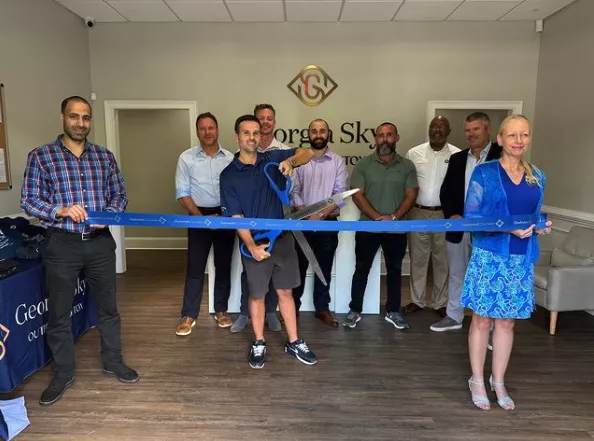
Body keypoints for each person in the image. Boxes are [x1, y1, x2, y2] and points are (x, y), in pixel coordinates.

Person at [20, 96, 138, 406]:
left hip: (100, 243)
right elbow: (29, 200)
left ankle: (113, 361)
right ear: (62, 117)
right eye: (74, 116)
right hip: (62, 244)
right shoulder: (41, 156)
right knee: (59, 313)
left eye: (86, 117)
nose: (80, 123)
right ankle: (63, 373)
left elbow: (120, 194)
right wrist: (60, 210)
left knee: (108, 309)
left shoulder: (104, 157)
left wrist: (108, 214)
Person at [462, 114, 551, 411]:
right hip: (489, 256)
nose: (518, 141)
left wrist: (540, 226)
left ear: (529, 138)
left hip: (520, 257)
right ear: (500, 139)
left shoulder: (537, 175)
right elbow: (472, 217)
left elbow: (533, 215)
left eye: (524, 135)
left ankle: (498, 380)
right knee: (482, 319)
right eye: (512, 135)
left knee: (507, 321)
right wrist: (508, 228)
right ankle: (477, 379)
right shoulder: (484, 173)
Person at [220, 114, 318, 369]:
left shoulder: (273, 159)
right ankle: (259, 342)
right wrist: (251, 246)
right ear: (237, 137)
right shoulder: (228, 175)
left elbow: (307, 153)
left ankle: (294, 341)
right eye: (246, 133)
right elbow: (236, 216)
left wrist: (290, 161)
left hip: (283, 240)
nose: (252, 137)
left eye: (256, 132)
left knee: (285, 291)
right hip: (255, 243)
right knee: (257, 294)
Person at [343, 122, 418, 329]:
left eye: (389, 135)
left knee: (394, 270)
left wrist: (393, 217)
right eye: (381, 135)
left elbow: (411, 195)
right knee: (361, 269)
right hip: (368, 227)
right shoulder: (363, 164)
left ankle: (393, 311)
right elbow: (357, 195)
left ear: (397, 137)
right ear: (375, 139)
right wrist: (377, 217)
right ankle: (354, 310)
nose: (385, 139)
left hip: (396, 228)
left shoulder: (407, 166)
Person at [431, 112, 502, 332]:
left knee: (488, 275)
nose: (471, 134)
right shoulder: (458, 158)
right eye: (467, 130)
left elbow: (505, 193)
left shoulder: (502, 156)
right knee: (456, 273)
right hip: (459, 227)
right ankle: (454, 316)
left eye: (476, 129)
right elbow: (446, 191)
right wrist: (452, 214)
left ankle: (490, 325)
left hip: (490, 230)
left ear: (488, 130)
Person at [230, 104, 290, 333]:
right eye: (260, 119)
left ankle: (271, 312)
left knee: (274, 271)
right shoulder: (239, 155)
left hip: (275, 222)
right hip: (249, 226)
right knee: (251, 271)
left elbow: (304, 155)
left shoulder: (281, 152)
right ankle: (245, 313)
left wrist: (291, 162)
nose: (265, 123)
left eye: (269, 118)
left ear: (274, 122)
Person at [174, 112, 235, 336]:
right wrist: (202, 218)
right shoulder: (186, 158)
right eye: (202, 128)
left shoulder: (230, 158)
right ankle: (189, 315)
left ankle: (221, 310)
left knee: (223, 265)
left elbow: (236, 192)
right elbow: (182, 194)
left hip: (225, 216)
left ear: (217, 130)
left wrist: (225, 215)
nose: (207, 132)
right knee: (195, 267)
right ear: (197, 131)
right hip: (197, 215)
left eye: (211, 128)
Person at [290, 119, 347, 327]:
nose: (318, 134)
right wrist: (306, 214)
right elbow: (293, 190)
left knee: (324, 267)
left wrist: (320, 215)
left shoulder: (337, 161)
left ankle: (322, 308)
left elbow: (340, 194)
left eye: (322, 131)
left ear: (328, 134)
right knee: (297, 267)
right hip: (302, 223)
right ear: (308, 134)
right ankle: (292, 309)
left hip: (328, 223)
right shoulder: (299, 161)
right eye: (314, 131)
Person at [404, 116, 460, 318]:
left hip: (444, 215)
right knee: (417, 259)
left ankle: (439, 302)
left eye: (442, 126)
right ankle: (416, 300)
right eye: (434, 126)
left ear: (449, 131)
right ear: (428, 130)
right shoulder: (414, 153)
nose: (437, 130)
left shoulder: (457, 155)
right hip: (417, 212)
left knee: (442, 260)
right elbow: (406, 183)